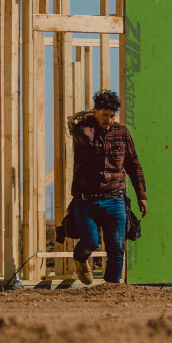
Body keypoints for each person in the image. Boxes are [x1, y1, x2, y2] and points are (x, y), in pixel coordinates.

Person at [68, 89, 147, 286]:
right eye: (104, 115)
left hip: (115, 199)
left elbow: (133, 164)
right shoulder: (83, 130)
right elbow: (86, 138)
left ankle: (111, 288)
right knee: (91, 242)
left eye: (112, 116)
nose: (109, 120)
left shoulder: (122, 133)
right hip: (87, 200)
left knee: (116, 247)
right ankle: (80, 259)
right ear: (94, 112)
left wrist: (141, 195)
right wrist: (87, 120)